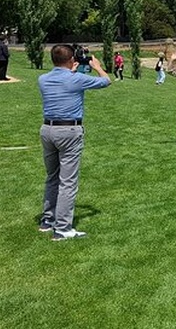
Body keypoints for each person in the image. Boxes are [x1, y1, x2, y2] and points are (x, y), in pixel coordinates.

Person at [37, 44, 111, 240]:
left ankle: (48, 220)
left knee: (52, 176)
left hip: (47, 130)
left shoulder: (43, 79)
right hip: (69, 131)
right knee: (68, 181)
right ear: (72, 60)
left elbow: (62, 82)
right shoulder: (76, 78)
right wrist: (97, 67)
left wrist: (71, 70)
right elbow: (106, 81)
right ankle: (62, 228)